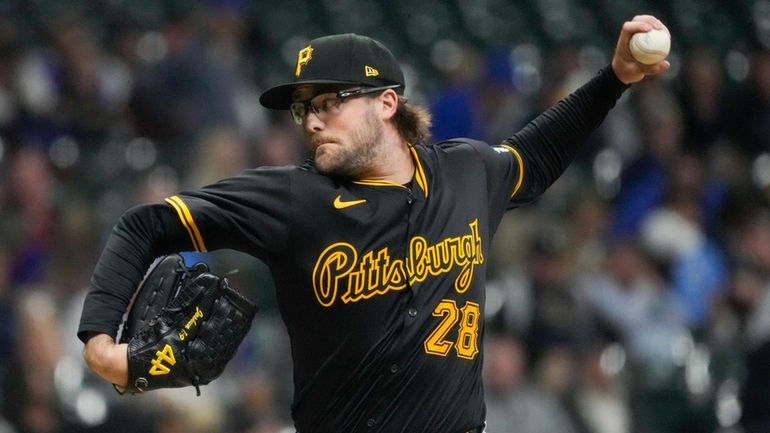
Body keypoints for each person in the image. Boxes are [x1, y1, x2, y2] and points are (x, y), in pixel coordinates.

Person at [78, 15, 670, 433]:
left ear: (386, 103)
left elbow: (538, 153)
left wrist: (614, 78)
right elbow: (143, 225)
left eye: (329, 101)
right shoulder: (293, 198)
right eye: (304, 108)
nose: (311, 120)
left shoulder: (466, 173)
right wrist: (101, 343)